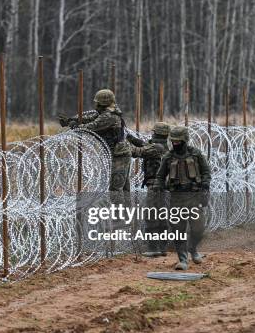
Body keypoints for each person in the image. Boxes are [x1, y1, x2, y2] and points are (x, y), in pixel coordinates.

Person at [152, 126, 211, 270]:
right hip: (176, 198)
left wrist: (205, 184)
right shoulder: (168, 157)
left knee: (198, 229)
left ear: (185, 140)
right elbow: (160, 176)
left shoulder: (196, 154)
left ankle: (193, 249)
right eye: (173, 141)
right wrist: (158, 185)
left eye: (178, 141)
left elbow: (206, 171)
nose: (175, 144)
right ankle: (183, 259)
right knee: (178, 230)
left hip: (194, 197)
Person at [58, 89, 131, 192]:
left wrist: (75, 126)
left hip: (119, 156)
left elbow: (91, 126)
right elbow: (90, 118)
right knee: (123, 188)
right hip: (119, 154)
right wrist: (70, 120)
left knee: (115, 190)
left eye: (97, 102)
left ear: (102, 103)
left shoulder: (108, 116)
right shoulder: (107, 113)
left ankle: (118, 208)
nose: (95, 104)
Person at [127, 122, 170, 257]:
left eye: (154, 132)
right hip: (161, 187)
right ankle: (162, 247)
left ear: (156, 133)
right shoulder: (162, 146)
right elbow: (145, 145)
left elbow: (137, 152)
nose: (152, 134)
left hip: (155, 187)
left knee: (151, 216)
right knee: (161, 216)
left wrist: (122, 145)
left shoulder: (156, 148)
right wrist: (131, 138)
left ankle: (153, 248)